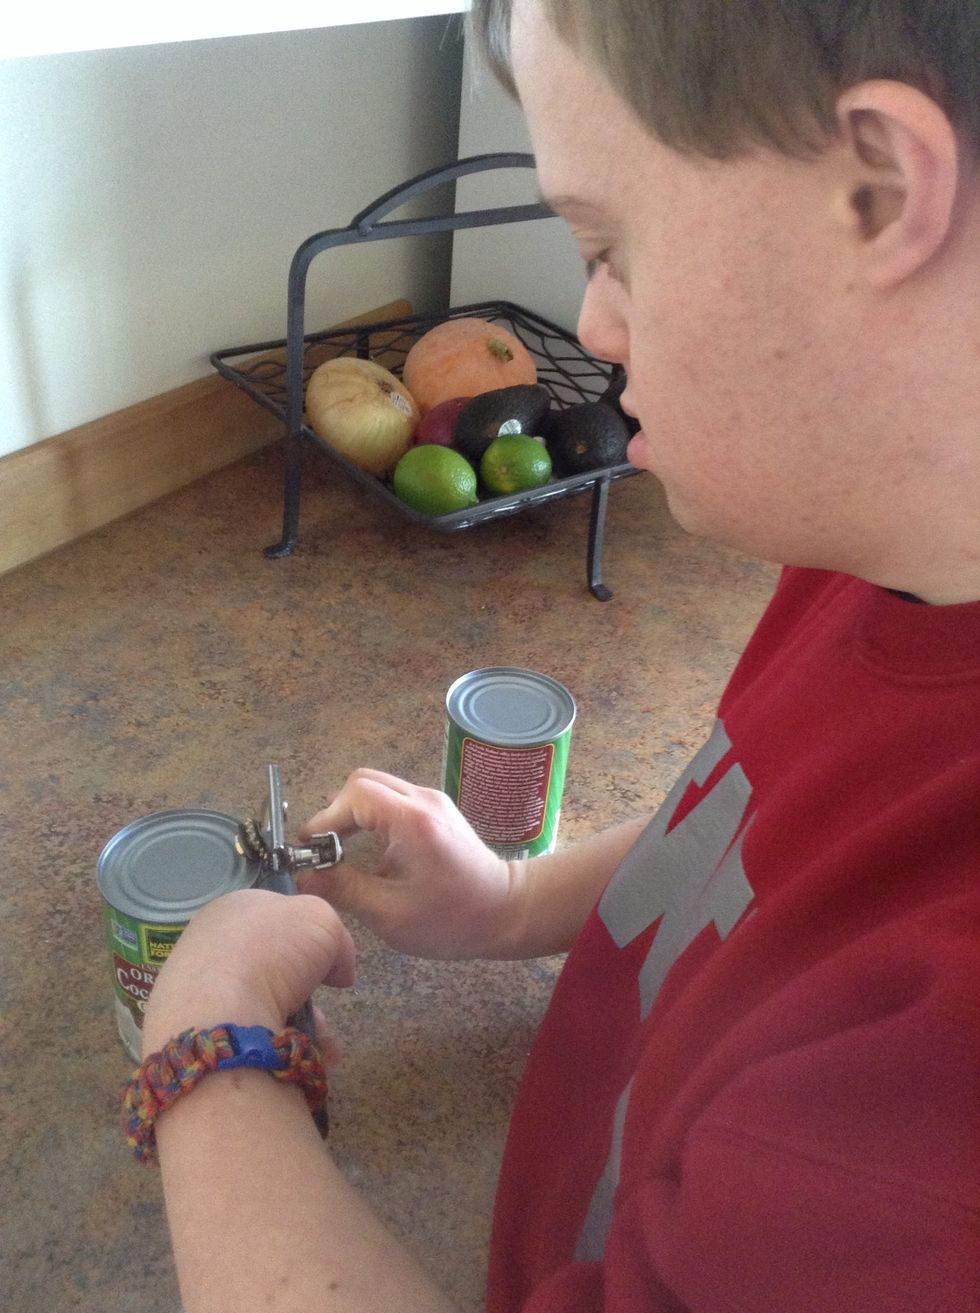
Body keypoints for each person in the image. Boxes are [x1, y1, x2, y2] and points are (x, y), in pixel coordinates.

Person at [133, 2, 980, 1309]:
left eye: (607, 243)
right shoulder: (893, 533)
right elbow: (769, 832)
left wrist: (206, 1050)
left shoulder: (933, 1161)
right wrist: (517, 902)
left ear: (873, 190)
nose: (595, 314)